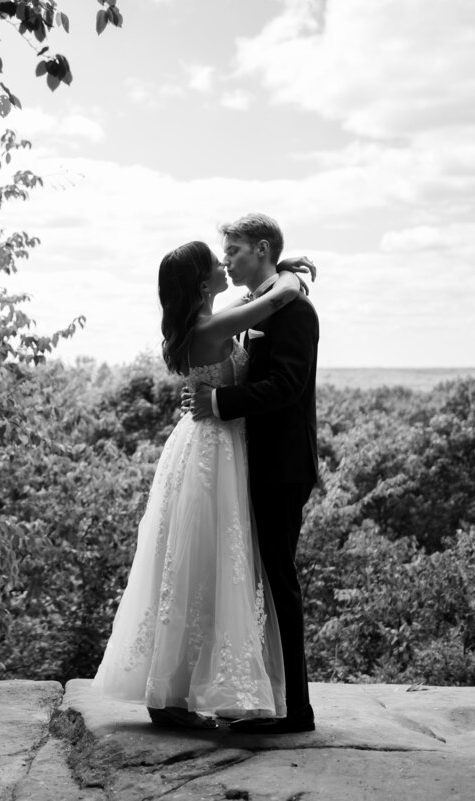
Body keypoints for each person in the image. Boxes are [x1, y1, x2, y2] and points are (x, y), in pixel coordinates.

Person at [91, 236, 314, 729]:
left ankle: (171, 690)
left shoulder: (205, 323)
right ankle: (176, 692)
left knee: (193, 566)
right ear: (200, 282)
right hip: (214, 447)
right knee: (206, 564)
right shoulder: (212, 328)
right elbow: (275, 300)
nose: (224, 263)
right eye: (217, 261)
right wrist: (288, 275)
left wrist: (275, 268)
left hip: (208, 442)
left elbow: (247, 303)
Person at [190, 213, 320, 734]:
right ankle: (270, 697)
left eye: (235, 250)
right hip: (251, 460)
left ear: (262, 248)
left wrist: (218, 400)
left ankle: (296, 712)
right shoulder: (265, 299)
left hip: (282, 466)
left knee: (279, 581)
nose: (227, 259)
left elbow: (286, 386)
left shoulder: (297, 313)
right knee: (258, 581)